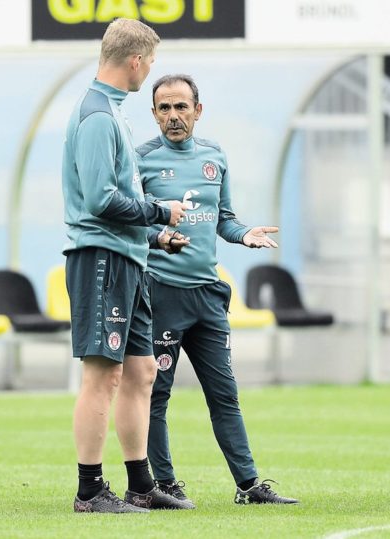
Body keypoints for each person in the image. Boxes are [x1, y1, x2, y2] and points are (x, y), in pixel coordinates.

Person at [136, 74, 299, 506]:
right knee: (157, 394)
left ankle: (249, 486)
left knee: (225, 394)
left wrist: (244, 234)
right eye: (164, 108)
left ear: (198, 110)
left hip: (208, 295)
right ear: (153, 114)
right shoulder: (141, 160)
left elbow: (223, 217)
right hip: (162, 292)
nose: (173, 116)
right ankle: (164, 484)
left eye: (181, 107)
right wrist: (158, 238)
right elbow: (132, 221)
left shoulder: (214, 157)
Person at [62, 18, 193, 513]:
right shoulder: (97, 115)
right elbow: (99, 199)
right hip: (101, 260)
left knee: (140, 372)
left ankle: (141, 484)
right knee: (103, 376)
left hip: (129, 258)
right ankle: (90, 490)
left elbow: (118, 199)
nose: (150, 72)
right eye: (151, 63)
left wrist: (156, 235)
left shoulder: (114, 112)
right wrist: (160, 211)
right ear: (136, 61)